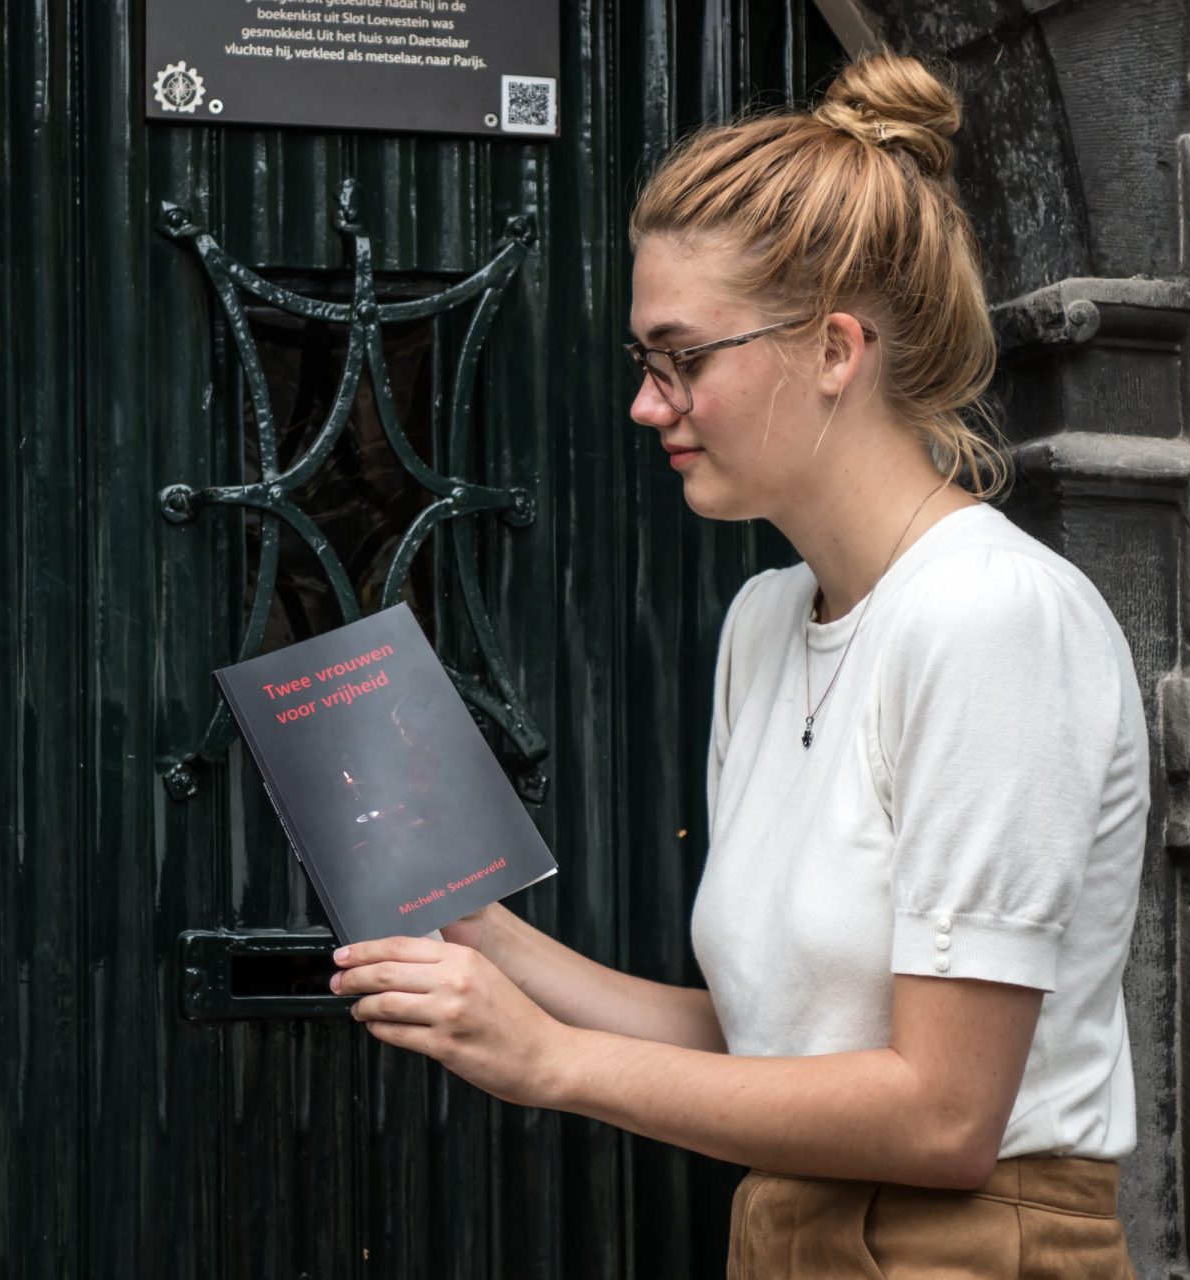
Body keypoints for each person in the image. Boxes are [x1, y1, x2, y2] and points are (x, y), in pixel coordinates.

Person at [328, 52, 1147, 1278]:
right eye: (644, 365)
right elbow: (779, 1042)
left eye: (682, 358)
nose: (647, 406)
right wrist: (490, 943)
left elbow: (943, 1114)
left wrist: (549, 1059)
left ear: (834, 348)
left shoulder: (991, 615)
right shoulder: (767, 621)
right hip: (787, 1235)